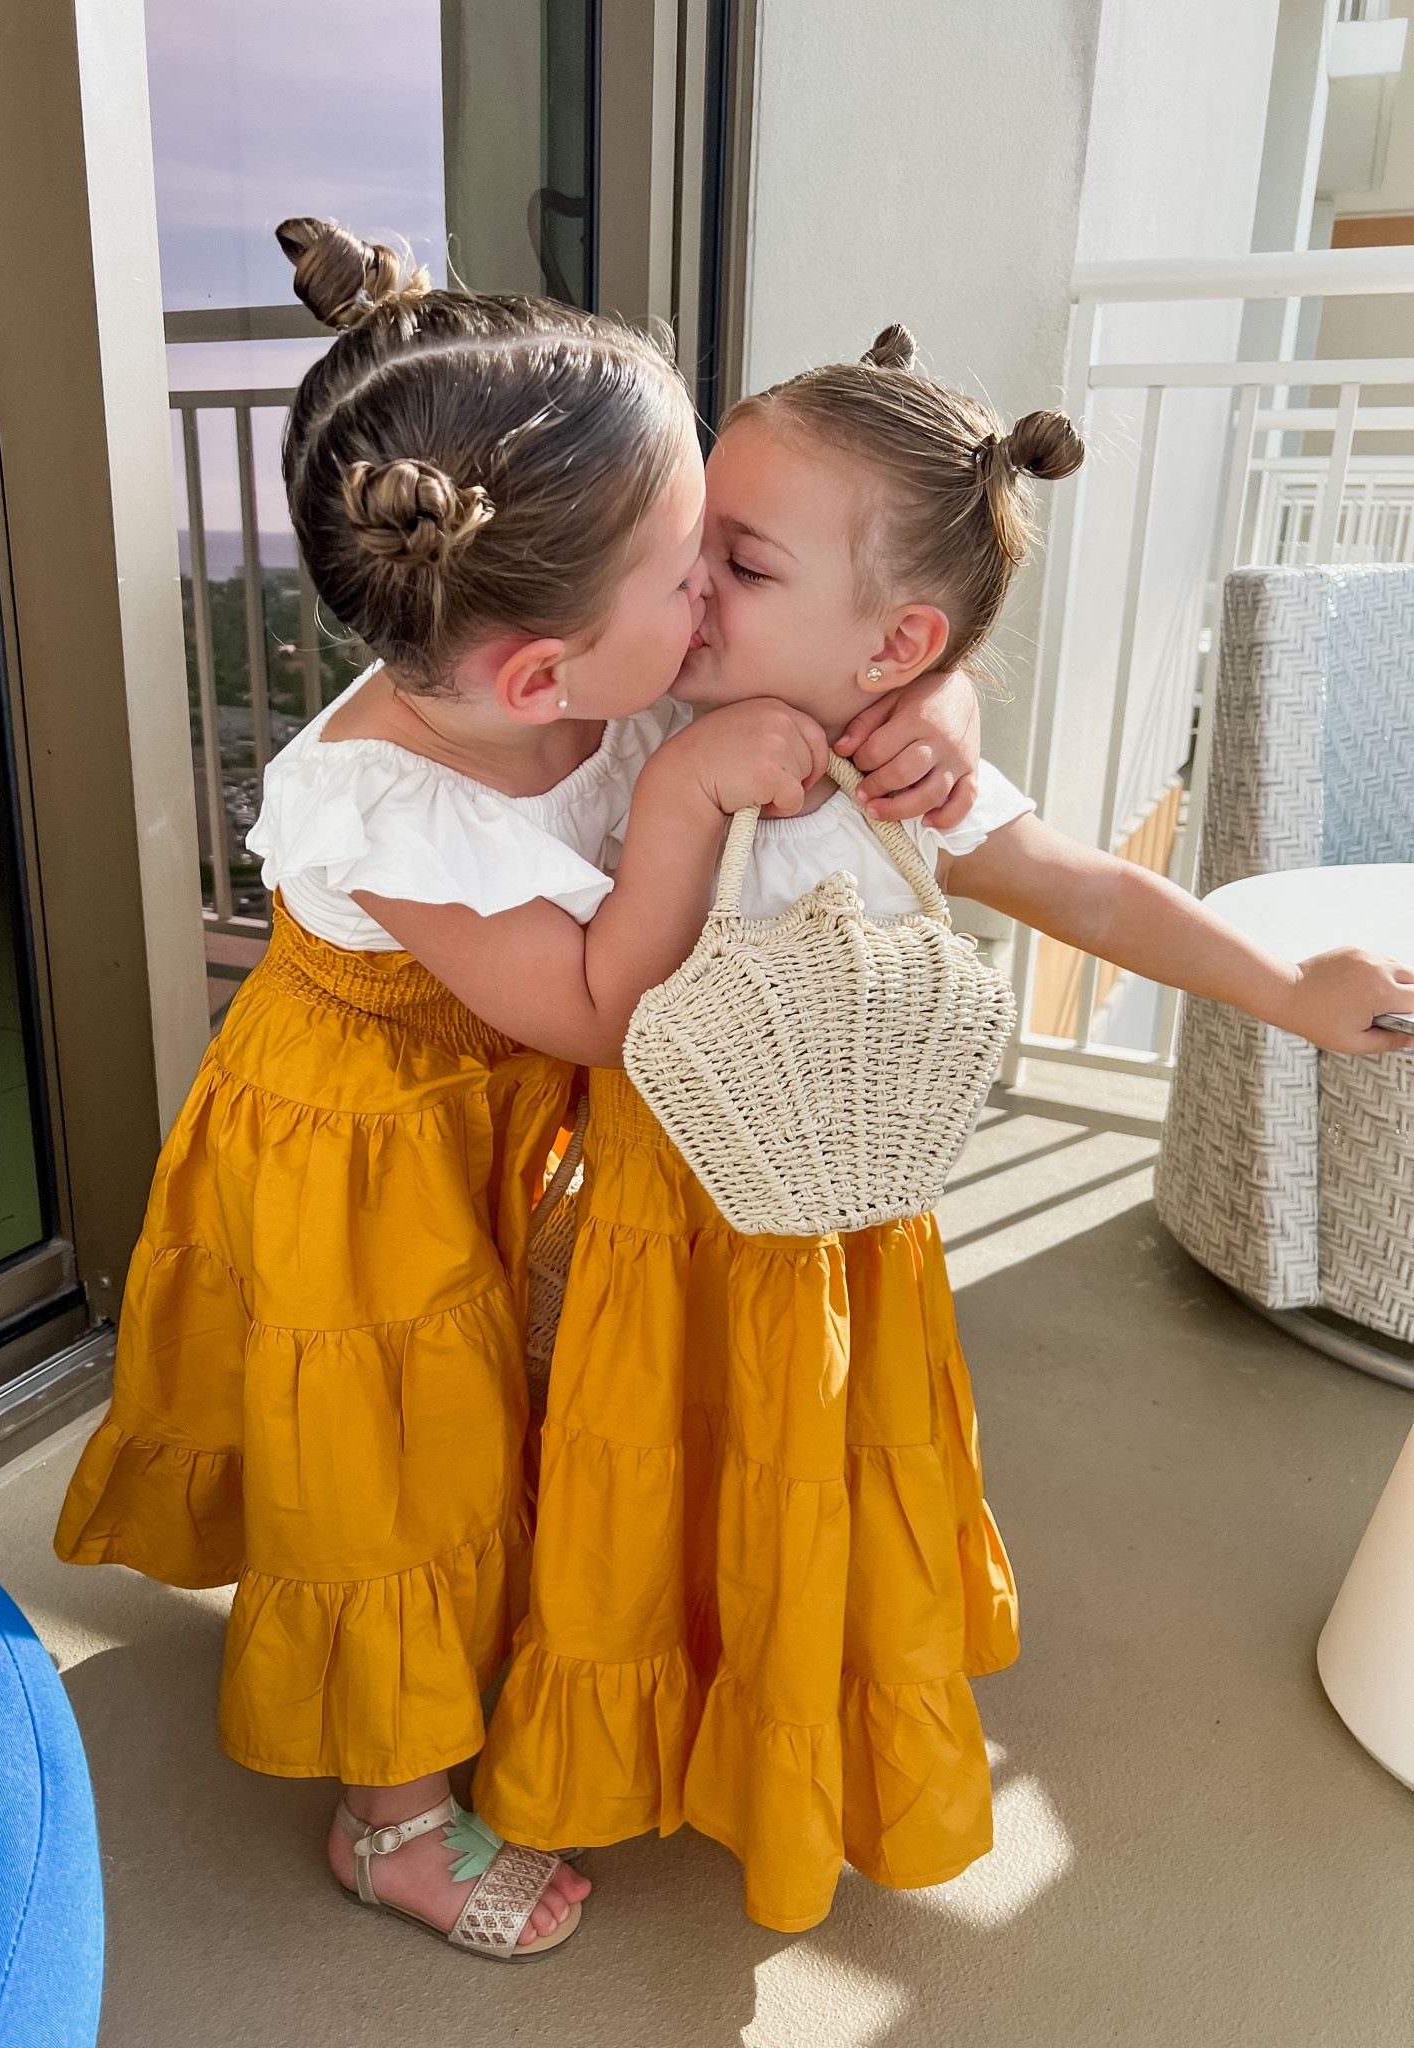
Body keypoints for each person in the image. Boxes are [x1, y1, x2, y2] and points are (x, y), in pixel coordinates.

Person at [53, 229, 982, 1960]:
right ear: (545, 673)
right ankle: (390, 1819)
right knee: (388, 1468)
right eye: (692, 572)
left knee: (492, 1431)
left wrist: (938, 697)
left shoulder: (570, 678)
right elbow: (597, 1012)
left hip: (473, 1127)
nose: (716, 595)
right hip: (360, 1162)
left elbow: (848, 680)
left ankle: (455, 1686)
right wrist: (694, 795)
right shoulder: (383, 810)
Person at [473, 323, 1414, 1932]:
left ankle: (779, 1742)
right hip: (652, 1212)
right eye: (691, 543)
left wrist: (1285, 987)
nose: (685, 584)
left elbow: (1081, 888)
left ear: (893, 640)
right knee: (642, 1470)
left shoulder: (899, 776)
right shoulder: (636, 725)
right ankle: (621, 1731)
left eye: (737, 562)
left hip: (833, 1234)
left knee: (800, 1479)